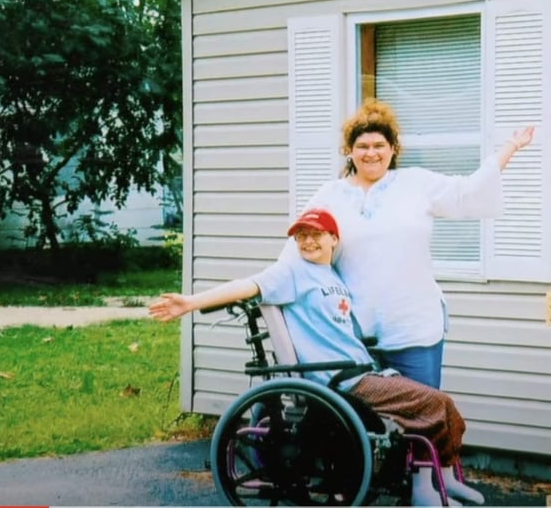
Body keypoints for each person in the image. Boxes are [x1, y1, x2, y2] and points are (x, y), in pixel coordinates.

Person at [149, 208, 485, 506]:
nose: (308, 242)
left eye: (316, 235)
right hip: (341, 379)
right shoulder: (291, 272)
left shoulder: (334, 277)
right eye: (301, 237)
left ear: (333, 240)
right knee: (434, 404)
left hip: (361, 371)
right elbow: (247, 285)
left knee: (439, 407)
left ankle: (446, 479)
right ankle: (425, 492)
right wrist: (192, 302)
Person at [283, 98, 535, 389]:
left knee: (422, 420)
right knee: (368, 428)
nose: (371, 153)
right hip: (355, 335)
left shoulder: (416, 183)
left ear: (393, 149)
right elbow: (297, 248)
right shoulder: (330, 194)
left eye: (379, 145)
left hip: (414, 329)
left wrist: (510, 147)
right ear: (349, 151)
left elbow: (468, 192)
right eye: (362, 146)